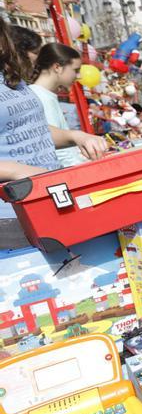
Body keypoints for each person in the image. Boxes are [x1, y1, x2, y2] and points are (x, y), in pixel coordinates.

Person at [0, 18, 107, 248]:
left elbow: (33, 129)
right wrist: (16, 170)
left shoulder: (11, 79)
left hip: (49, 193)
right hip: (11, 212)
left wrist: (76, 136)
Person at [29, 43, 91, 167]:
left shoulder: (45, 94)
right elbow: (56, 147)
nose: (79, 76)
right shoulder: (40, 96)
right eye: (76, 70)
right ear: (57, 67)